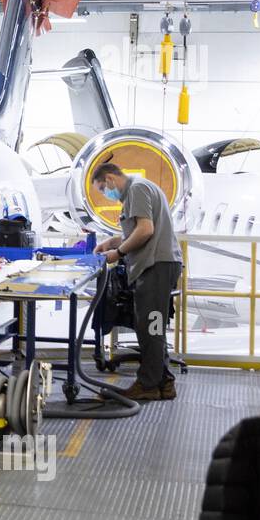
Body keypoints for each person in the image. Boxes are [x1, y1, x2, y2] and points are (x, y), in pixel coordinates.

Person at [92, 163, 184, 401]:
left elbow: (145, 230)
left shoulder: (136, 190)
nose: (105, 194)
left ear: (111, 178)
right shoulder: (140, 189)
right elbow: (138, 228)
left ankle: (147, 384)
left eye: (103, 188)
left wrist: (118, 253)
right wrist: (112, 242)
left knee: (150, 329)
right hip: (159, 265)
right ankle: (164, 383)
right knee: (154, 327)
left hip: (156, 267)